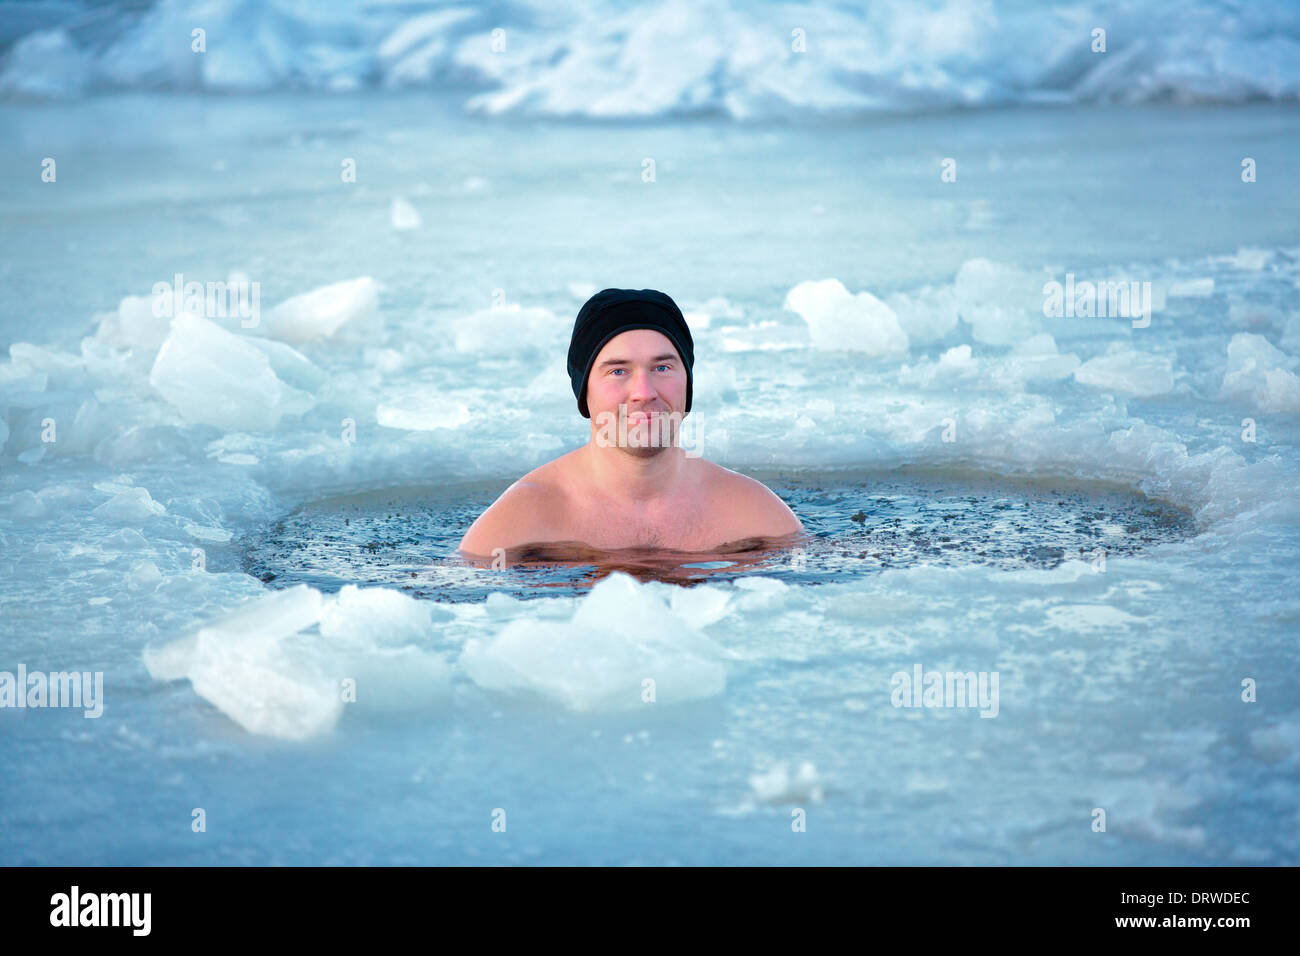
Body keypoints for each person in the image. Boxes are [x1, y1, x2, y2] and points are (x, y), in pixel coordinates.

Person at [457, 288, 803, 560]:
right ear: (584, 390)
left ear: (688, 383)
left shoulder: (753, 513)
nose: (644, 392)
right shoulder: (519, 523)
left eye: (662, 368)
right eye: (618, 371)